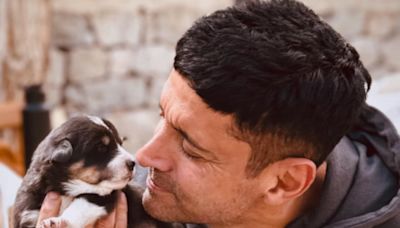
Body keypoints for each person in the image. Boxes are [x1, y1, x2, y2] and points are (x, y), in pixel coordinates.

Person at [37, 0, 400, 227]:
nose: (145, 156)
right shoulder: (125, 199)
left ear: (284, 182)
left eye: (191, 147)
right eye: (163, 115)